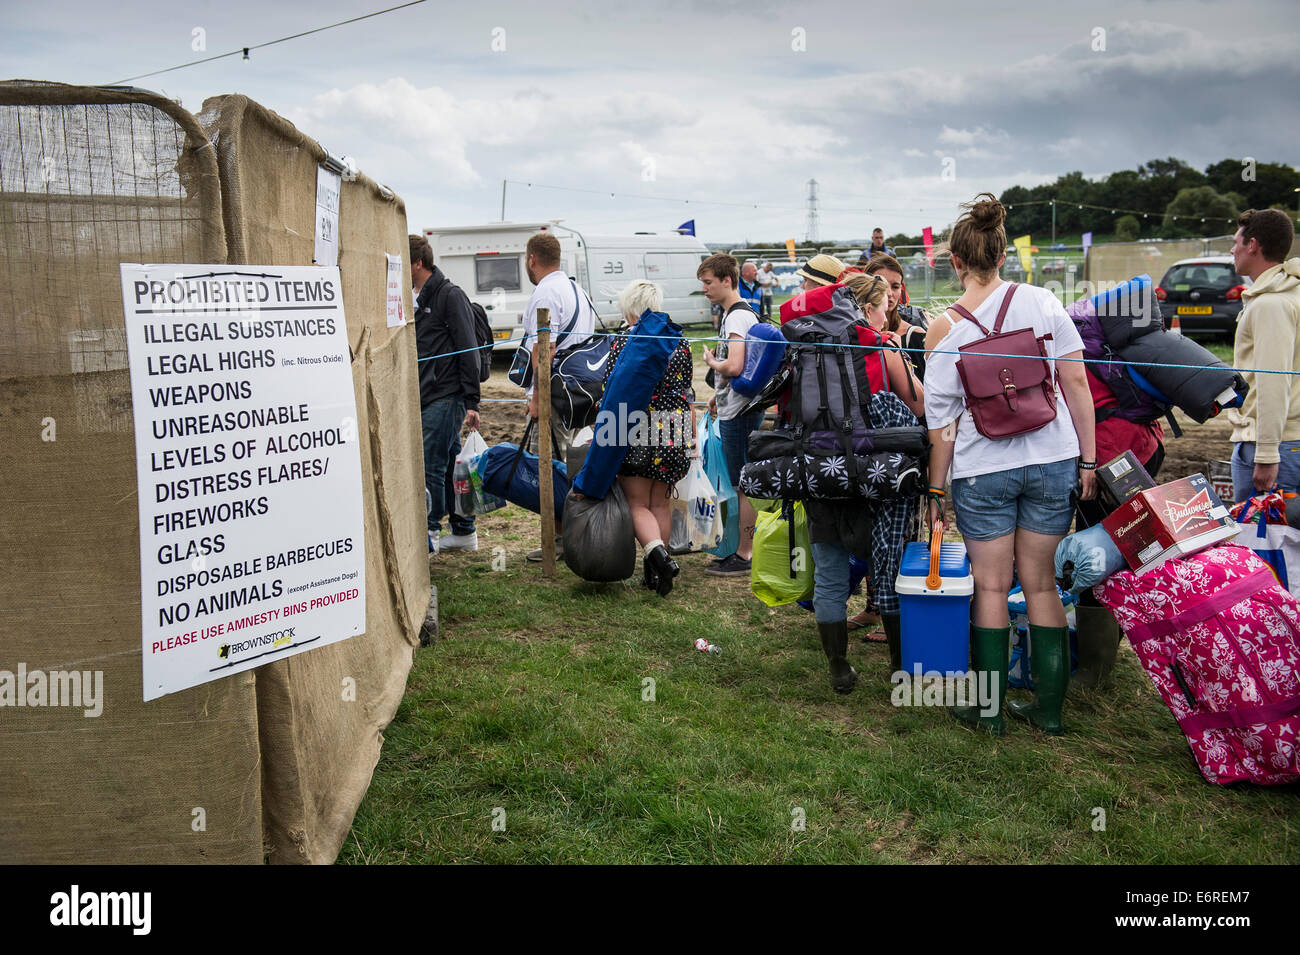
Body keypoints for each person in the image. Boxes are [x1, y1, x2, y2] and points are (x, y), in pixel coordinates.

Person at [923, 194, 1096, 736]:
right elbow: (1075, 384)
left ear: (955, 262)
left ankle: (991, 711)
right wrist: (1089, 459)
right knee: (1042, 584)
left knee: (991, 587)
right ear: (1003, 255)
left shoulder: (942, 331)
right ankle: (1048, 712)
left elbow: (942, 425)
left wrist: (935, 493)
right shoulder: (1045, 303)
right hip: (1053, 457)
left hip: (983, 469)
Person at [802, 275, 927, 691]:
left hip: (822, 470)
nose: (888, 309)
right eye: (884, 303)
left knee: (831, 573)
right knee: (887, 570)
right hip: (878, 476)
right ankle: (898, 666)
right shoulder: (881, 344)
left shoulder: (806, 344)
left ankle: (839, 667)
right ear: (868, 308)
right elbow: (920, 402)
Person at [602, 280, 695, 596]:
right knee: (660, 502)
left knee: (636, 503)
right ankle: (654, 573)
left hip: (642, 423)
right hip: (674, 425)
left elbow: (612, 387)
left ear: (631, 308)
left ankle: (660, 560)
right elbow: (687, 388)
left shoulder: (625, 341)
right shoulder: (679, 341)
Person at [519, 231, 598, 560]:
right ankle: (575, 535)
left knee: (551, 466)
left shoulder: (546, 293)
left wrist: (536, 398)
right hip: (580, 390)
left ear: (532, 259)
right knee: (573, 462)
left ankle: (564, 539)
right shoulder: (574, 288)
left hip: (557, 392)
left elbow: (544, 349)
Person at [410, 233, 482, 553]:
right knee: (454, 464)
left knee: (431, 465)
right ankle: (464, 531)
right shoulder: (419, 299)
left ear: (418, 262)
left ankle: (429, 532)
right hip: (431, 395)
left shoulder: (449, 296)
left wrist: (471, 400)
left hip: (446, 395)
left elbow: (469, 348)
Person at [1227, 208, 1300, 501]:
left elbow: (1274, 379)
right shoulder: (1289, 293)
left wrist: (1268, 453)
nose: (1233, 250)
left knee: (1262, 541)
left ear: (1253, 245)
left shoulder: (1271, 304)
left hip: (1272, 444)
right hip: (1287, 441)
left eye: (1236, 242)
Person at [701, 253, 762, 576]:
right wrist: (717, 394)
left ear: (727, 280)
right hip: (737, 406)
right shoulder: (740, 313)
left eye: (709, 282)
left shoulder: (737, 317)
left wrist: (713, 364)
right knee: (743, 480)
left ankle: (745, 553)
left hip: (740, 412)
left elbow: (736, 364)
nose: (705, 289)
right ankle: (744, 550)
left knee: (743, 483)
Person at [864, 253, 930, 380]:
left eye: (895, 287)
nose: (889, 293)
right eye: (881, 285)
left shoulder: (914, 335)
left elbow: (923, 394)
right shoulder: (852, 333)